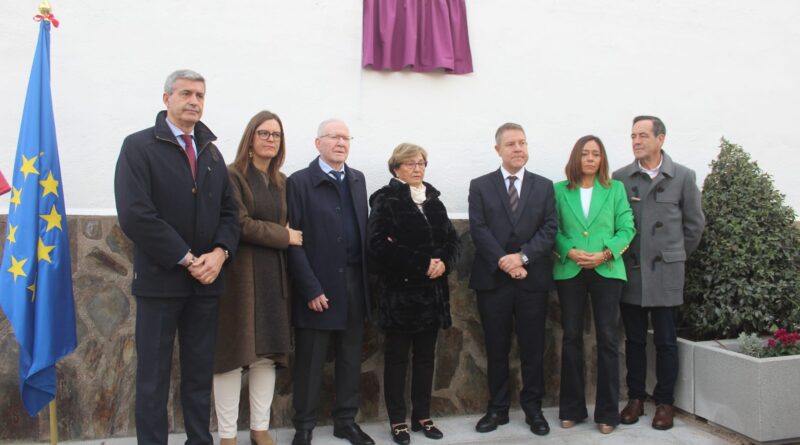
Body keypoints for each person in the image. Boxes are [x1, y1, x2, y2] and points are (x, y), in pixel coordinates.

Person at [114, 69, 239, 445]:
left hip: (206, 285)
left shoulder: (212, 152)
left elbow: (231, 214)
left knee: (199, 375)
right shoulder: (138, 147)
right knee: (152, 378)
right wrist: (187, 258)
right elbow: (136, 214)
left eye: (200, 95)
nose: (194, 102)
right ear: (166, 98)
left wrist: (219, 253)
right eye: (186, 93)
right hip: (160, 282)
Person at [212, 111, 303, 445]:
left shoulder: (282, 181)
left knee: (267, 356)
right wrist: (285, 235)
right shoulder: (232, 175)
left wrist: (285, 238)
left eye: (276, 135)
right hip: (239, 279)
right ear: (250, 138)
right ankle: (226, 435)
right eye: (263, 133)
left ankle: (259, 429)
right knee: (232, 356)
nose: (270, 139)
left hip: (273, 279)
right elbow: (239, 223)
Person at [613, 116, 705, 430]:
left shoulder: (682, 176)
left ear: (660, 139)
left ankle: (665, 402)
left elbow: (694, 226)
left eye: (643, 135)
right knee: (634, 340)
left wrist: (673, 257)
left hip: (667, 273)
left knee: (666, 341)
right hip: (632, 271)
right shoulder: (621, 178)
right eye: (633, 136)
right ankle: (635, 398)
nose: (636, 141)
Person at [286, 119, 374, 445]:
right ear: (317, 142)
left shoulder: (357, 179)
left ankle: (345, 421)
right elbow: (293, 239)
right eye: (333, 137)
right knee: (310, 360)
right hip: (317, 286)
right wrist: (310, 287)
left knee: (351, 357)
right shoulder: (299, 182)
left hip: (353, 282)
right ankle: (304, 426)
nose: (341, 142)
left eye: (345, 137)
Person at [468, 122, 558, 437]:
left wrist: (522, 258)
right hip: (494, 281)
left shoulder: (545, 186)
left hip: (532, 279)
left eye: (522, 142)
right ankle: (498, 409)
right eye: (511, 144)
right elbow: (478, 229)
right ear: (498, 150)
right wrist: (506, 263)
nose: (518, 148)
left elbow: (549, 229)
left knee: (533, 348)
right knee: (496, 347)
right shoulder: (480, 185)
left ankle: (533, 409)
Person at [367, 143, 460, 445]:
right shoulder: (386, 200)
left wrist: (443, 262)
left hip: (432, 296)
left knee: (425, 358)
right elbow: (379, 245)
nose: (417, 168)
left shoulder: (434, 201)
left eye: (421, 163)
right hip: (401, 297)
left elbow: (451, 239)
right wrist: (421, 263)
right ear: (396, 168)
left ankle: (422, 415)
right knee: (397, 360)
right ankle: (397, 421)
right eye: (410, 163)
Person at [552, 135, 635, 434]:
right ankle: (572, 408)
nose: (590, 158)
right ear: (576, 157)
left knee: (608, 339)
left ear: (602, 159)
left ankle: (607, 413)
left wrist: (605, 253)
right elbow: (553, 227)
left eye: (595, 154)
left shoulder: (615, 190)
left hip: (607, 269)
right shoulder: (559, 190)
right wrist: (568, 250)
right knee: (571, 336)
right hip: (570, 269)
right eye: (585, 153)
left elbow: (627, 227)